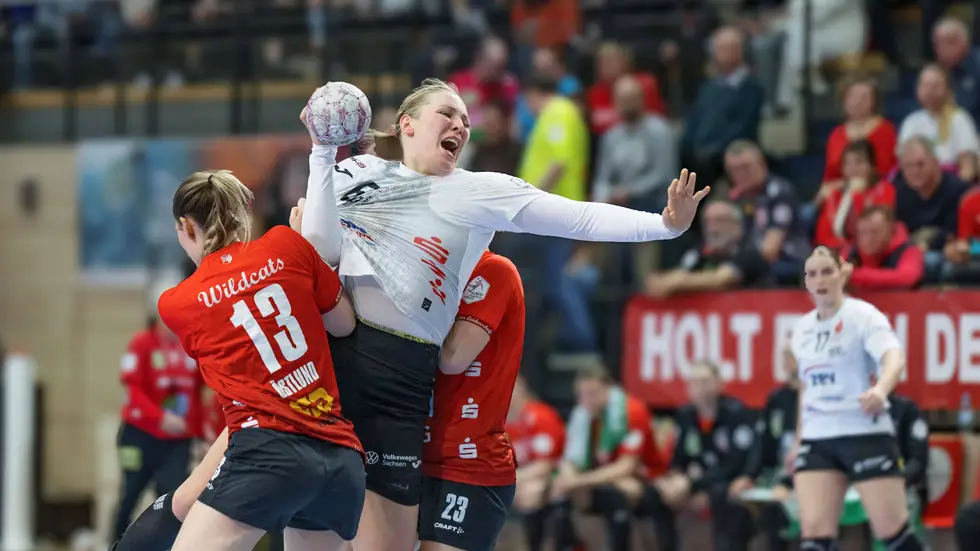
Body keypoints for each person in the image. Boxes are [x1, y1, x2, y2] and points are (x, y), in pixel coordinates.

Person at [299, 78, 709, 551]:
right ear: (407, 125)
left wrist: (664, 226)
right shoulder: (359, 171)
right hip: (331, 364)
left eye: (466, 121)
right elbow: (320, 248)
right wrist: (321, 154)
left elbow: (576, 217)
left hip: (398, 381)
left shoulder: (477, 191)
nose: (461, 125)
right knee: (310, 538)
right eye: (447, 114)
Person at [108, 199, 344, 551]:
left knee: (184, 499)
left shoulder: (235, 276)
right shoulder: (153, 335)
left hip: (271, 428)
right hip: (265, 428)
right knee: (163, 497)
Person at [158, 170, 366, 551]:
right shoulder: (287, 243)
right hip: (340, 459)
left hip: (266, 454)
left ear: (187, 227)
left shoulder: (177, 303)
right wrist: (308, 256)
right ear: (243, 215)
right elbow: (344, 324)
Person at [785, 246, 926, 551]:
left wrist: (881, 389)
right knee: (814, 534)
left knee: (893, 532)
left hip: (864, 431)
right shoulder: (801, 329)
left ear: (842, 274)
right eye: (812, 274)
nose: (820, 280)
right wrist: (799, 438)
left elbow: (894, 357)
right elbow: (806, 386)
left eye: (827, 271)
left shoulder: (863, 316)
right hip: (819, 435)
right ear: (806, 282)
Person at [418, 249, 525, 551]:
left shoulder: (493, 270)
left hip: (468, 465)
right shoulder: (423, 268)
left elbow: (453, 358)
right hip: (412, 457)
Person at [642, 360, 757, 551]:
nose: (700, 388)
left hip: (728, 481)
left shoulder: (736, 413)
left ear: (719, 384)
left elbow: (736, 464)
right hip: (698, 481)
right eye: (694, 382)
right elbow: (679, 458)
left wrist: (693, 484)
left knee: (724, 495)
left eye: (705, 382)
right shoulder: (685, 415)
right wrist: (675, 478)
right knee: (655, 492)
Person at [552, 365, 666, 551]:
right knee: (559, 494)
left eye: (593, 393)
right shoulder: (582, 415)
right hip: (605, 477)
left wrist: (580, 481)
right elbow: (570, 459)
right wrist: (569, 479)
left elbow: (626, 466)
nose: (587, 400)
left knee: (619, 493)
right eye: (582, 394)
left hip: (645, 478)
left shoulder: (632, 411)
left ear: (609, 389)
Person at [112, 316, 203, 542]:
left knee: (174, 497)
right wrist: (160, 417)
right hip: (138, 435)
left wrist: (200, 433)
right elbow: (132, 389)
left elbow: (199, 391)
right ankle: (116, 543)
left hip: (177, 440)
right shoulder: (142, 343)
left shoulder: (189, 345)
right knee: (131, 493)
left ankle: (168, 545)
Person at [505, 376, 566, 551]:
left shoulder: (541, 416)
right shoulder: (500, 422)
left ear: (521, 389)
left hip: (553, 475)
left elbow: (544, 465)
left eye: (510, 389)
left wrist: (510, 481)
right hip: (519, 478)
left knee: (531, 492)